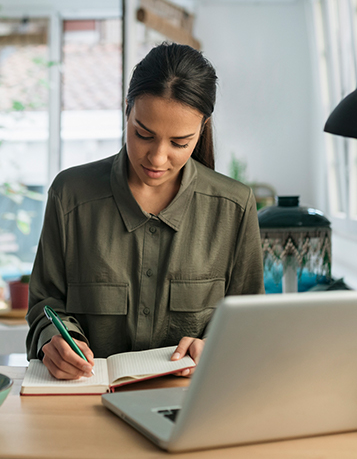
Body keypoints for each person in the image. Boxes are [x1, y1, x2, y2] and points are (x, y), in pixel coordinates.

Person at [26, 42, 264, 380]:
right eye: (143, 134)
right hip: (86, 400)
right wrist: (56, 341)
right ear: (127, 110)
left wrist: (216, 345)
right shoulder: (70, 195)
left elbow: (250, 322)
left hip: (190, 403)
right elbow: (44, 304)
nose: (157, 158)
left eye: (179, 143)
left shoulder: (234, 207)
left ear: (203, 127)